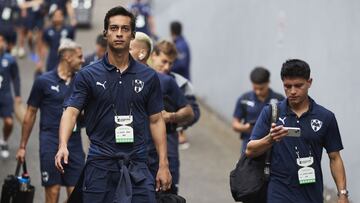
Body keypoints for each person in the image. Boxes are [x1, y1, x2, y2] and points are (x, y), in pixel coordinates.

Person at [54, 6, 171, 203]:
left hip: (138, 166)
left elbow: (156, 120)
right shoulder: (87, 75)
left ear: (132, 34)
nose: (119, 33)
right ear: (106, 33)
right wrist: (63, 145)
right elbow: (71, 112)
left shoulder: (148, 76)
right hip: (100, 166)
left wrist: (163, 164)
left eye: (125, 29)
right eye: (114, 28)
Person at [246, 59, 349, 203]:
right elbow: (250, 150)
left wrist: (342, 193)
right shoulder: (271, 113)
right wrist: (270, 139)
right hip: (278, 190)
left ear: (309, 82)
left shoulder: (326, 117)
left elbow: (335, 157)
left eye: (298, 86)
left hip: (311, 193)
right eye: (287, 86)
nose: (292, 91)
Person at [16, 39, 85, 203]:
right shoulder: (43, 81)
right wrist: (22, 147)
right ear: (67, 57)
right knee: (52, 193)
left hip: (74, 144)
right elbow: (30, 114)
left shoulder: (82, 81)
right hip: (50, 143)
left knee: (76, 195)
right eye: (79, 56)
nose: (83, 60)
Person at [130, 34, 194, 194]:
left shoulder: (168, 82)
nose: (167, 67)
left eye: (170, 63)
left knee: (165, 195)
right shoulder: (114, 79)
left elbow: (191, 112)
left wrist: (170, 117)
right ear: (153, 56)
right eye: (164, 61)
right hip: (126, 153)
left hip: (161, 149)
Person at [232, 67, 284, 153]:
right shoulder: (244, 99)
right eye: (255, 88)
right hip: (250, 147)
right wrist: (246, 128)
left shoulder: (279, 100)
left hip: (273, 147)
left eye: (261, 88)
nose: (258, 92)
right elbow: (235, 124)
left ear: (268, 82)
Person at [0, 33, 21, 159]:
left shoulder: (10, 59)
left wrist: (17, 95)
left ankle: (4, 141)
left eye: (2, 40)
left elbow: (16, 77)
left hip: (5, 95)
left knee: (9, 122)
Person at [41, 8, 75, 72]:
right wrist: (41, 61)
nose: (58, 17)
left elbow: (72, 44)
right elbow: (44, 46)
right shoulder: (47, 30)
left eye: (60, 15)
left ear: (63, 16)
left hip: (65, 59)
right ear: (52, 17)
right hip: (52, 59)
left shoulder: (69, 29)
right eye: (55, 16)